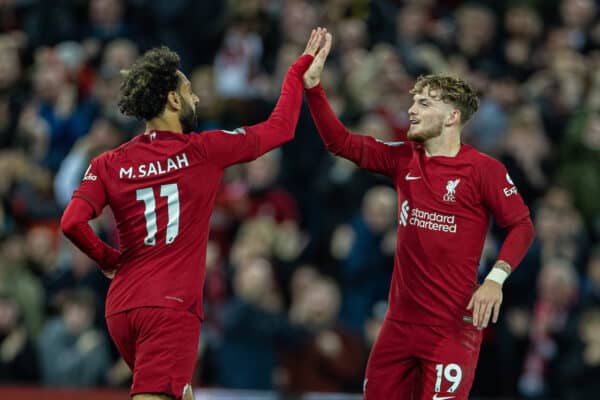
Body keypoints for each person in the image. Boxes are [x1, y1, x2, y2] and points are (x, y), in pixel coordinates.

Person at [60, 28, 329, 400]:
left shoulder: (108, 163)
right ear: (172, 100)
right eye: (189, 91)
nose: (197, 97)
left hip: (121, 308)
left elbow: (71, 222)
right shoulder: (205, 149)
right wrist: (296, 72)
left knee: (180, 394)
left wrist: (109, 260)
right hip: (169, 308)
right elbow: (280, 128)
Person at [302, 33, 535, 400]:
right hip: (397, 326)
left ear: (451, 117)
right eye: (413, 101)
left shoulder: (483, 170)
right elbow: (340, 143)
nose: (412, 109)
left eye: (424, 103)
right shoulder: (402, 159)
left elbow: (522, 225)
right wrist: (314, 89)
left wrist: (494, 280)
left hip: (451, 328)